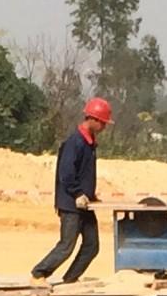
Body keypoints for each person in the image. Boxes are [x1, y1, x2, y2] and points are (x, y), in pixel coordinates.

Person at [31, 97, 110, 283]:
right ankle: (39, 273)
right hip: (71, 204)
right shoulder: (75, 142)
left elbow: (83, 172)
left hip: (85, 204)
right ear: (92, 119)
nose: (104, 127)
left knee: (92, 245)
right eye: (103, 123)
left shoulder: (90, 143)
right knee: (67, 245)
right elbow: (66, 173)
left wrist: (89, 194)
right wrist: (77, 193)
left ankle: (70, 279)